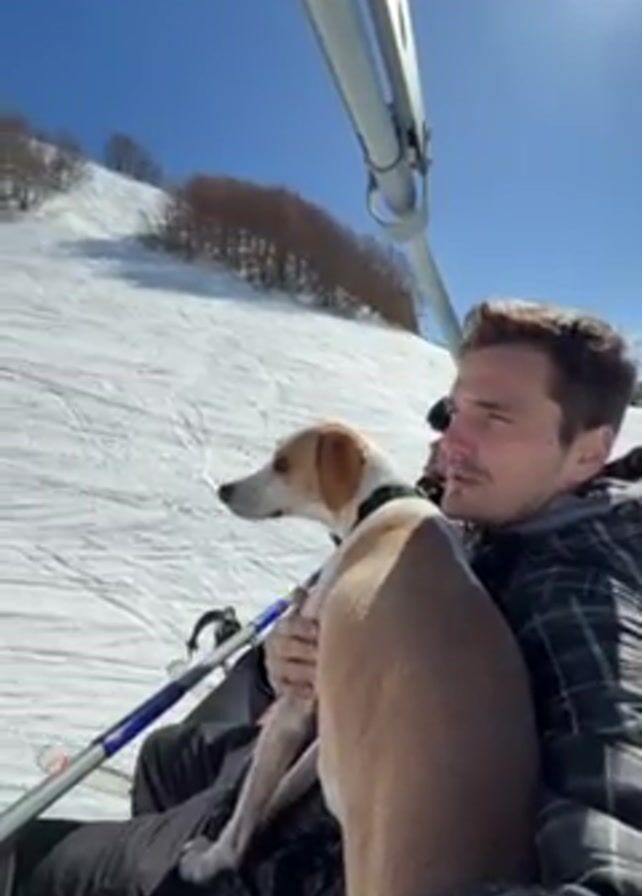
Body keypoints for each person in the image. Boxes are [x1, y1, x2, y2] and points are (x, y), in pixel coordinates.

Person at [2, 299, 641, 896]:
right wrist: (288, 660)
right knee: (165, 758)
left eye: (495, 417)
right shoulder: (490, 520)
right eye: (453, 412)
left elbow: (615, 850)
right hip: (289, 779)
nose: (451, 441)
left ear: (587, 453)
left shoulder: (581, 599)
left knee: (24, 861)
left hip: (297, 863)